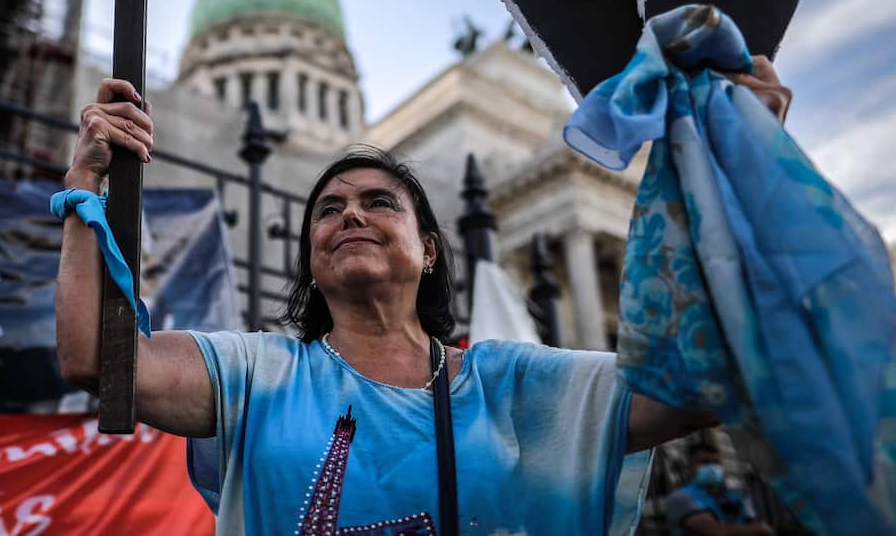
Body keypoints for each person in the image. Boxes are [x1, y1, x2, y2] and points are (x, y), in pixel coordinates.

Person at [54, 59, 793, 534]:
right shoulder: (258, 371)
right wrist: (86, 183)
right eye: (328, 208)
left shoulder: (504, 382)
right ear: (310, 258)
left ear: (430, 248)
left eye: (380, 201)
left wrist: (739, 179)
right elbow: (96, 355)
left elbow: (706, 381)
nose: (350, 214)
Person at [664, 440, 774, 536]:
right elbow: (716, 532)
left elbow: (754, 525)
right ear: (689, 468)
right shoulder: (680, 497)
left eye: (716, 462)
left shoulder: (736, 496)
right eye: (705, 462)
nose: (712, 467)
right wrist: (758, 530)